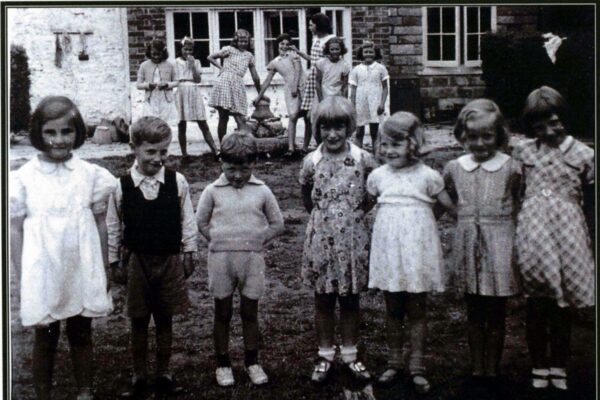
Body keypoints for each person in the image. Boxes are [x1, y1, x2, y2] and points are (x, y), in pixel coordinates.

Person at [10, 96, 115, 400]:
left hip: (80, 261)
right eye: (50, 133)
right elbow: (15, 230)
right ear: (38, 134)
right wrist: (21, 274)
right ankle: (43, 392)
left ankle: (85, 390)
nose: (59, 140)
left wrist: (105, 266)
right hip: (43, 266)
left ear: (78, 133)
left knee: (81, 331)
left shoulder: (89, 175)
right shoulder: (24, 178)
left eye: (66, 132)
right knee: (45, 335)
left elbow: (99, 224)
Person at [107, 116, 198, 398]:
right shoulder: (121, 186)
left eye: (164, 152)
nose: (158, 159)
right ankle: (139, 374)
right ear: (134, 148)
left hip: (169, 259)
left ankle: (164, 372)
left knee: (165, 319)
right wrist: (114, 262)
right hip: (137, 262)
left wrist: (189, 250)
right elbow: (113, 226)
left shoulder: (177, 181)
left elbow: (188, 219)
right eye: (151, 152)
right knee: (138, 320)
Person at [513, 86, 595, 392]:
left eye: (554, 123)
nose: (548, 131)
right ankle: (539, 365)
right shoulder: (524, 152)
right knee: (537, 305)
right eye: (539, 126)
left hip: (568, 235)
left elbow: (591, 201)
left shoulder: (584, 154)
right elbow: (515, 191)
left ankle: (559, 364)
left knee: (562, 307)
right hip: (534, 235)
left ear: (565, 118)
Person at [366, 112, 451, 394]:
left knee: (417, 308)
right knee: (393, 308)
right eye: (385, 144)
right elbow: (366, 205)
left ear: (413, 144)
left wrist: (423, 223)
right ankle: (394, 361)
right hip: (389, 248)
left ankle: (417, 366)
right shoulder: (378, 176)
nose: (389, 151)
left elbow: (447, 206)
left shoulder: (428, 176)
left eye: (397, 144)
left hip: (417, 247)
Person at [443, 99, 521, 394]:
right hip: (468, 245)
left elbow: (519, 201)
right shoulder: (454, 167)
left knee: (497, 311)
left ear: (499, 136)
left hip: (499, 244)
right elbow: (444, 198)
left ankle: (493, 369)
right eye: (472, 136)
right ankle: (477, 368)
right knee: (474, 311)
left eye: (487, 136)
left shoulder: (511, 168)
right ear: (462, 135)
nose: (479, 143)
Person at [195, 132, 284, 387]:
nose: (236, 175)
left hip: (251, 260)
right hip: (221, 259)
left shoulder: (262, 190)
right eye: (231, 168)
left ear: (253, 164)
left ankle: (252, 361)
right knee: (222, 311)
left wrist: (258, 240)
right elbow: (200, 221)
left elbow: (278, 223)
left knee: (249, 312)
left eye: (243, 169)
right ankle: (223, 363)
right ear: (221, 163)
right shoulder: (212, 191)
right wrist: (216, 238)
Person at [299, 96, 377, 383]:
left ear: (349, 127)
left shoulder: (362, 158)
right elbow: (307, 197)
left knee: (350, 298)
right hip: (321, 238)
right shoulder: (311, 161)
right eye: (326, 128)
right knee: (323, 299)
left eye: (339, 127)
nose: (332, 134)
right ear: (317, 129)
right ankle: (325, 355)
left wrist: (351, 215)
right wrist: (325, 218)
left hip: (353, 239)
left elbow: (371, 195)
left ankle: (350, 354)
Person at [255, 33, 306, 156]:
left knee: (308, 117)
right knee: (293, 116)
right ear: (277, 44)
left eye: (287, 44)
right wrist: (259, 96)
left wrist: (295, 85)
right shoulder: (275, 62)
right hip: (290, 89)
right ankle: (291, 147)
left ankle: (304, 147)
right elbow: (268, 80)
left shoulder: (293, 55)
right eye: (282, 44)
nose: (284, 46)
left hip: (303, 86)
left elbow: (298, 70)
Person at [208, 29, 262, 142]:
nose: (243, 43)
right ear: (236, 41)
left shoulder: (249, 56)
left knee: (240, 117)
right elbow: (210, 57)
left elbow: (255, 77)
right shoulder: (229, 50)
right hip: (225, 82)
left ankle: (241, 145)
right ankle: (223, 146)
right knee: (224, 117)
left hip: (237, 84)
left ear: (249, 42)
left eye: (245, 41)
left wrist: (260, 93)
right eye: (240, 41)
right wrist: (221, 68)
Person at [295, 13, 336, 152]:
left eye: (311, 24)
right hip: (312, 82)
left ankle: (324, 147)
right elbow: (314, 60)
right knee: (309, 117)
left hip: (323, 83)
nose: (309, 27)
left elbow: (331, 65)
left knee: (318, 117)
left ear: (319, 25)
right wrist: (299, 53)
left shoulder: (330, 40)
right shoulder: (315, 39)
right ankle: (312, 147)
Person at [175, 36, 219, 161]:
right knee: (181, 123)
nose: (188, 52)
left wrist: (192, 65)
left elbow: (198, 79)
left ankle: (215, 151)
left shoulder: (197, 62)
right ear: (181, 49)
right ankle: (184, 154)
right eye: (185, 49)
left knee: (202, 122)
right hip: (181, 91)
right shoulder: (175, 62)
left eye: (190, 50)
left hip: (193, 90)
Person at [349, 41, 389, 150]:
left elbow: (385, 88)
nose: (368, 54)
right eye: (365, 52)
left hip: (375, 101)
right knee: (359, 132)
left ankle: (376, 155)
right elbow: (353, 89)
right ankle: (359, 156)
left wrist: (382, 103)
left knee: (374, 132)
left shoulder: (381, 68)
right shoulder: (356, 70)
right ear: (361, 54)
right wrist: (352, 105)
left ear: (375, 53)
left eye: (370, 52)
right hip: (360, 102)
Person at [136, 38, 178, 124]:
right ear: (149, 52)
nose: (156, 57)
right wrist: (148, 85)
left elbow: (177, 82)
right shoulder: (144, 65)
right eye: (153, 54)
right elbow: (138, 85)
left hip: (166, 98)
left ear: (163, 53)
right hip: (151, 98)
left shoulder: (170, 65)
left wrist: (167, 85)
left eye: (158, 54)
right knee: (151, 123)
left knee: (166, 123)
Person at [311, 37, 351, 126]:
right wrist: (321, 100)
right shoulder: (321, 63)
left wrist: (344, 101)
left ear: (341, 50)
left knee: (336, 119)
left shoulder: (345, 65)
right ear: (328, 50)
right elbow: (318, 82)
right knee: (323, 120)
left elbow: (345, 86)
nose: (335, 51)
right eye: (332, 49)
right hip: (324, 94)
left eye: (337, 49)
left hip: (337, 95)